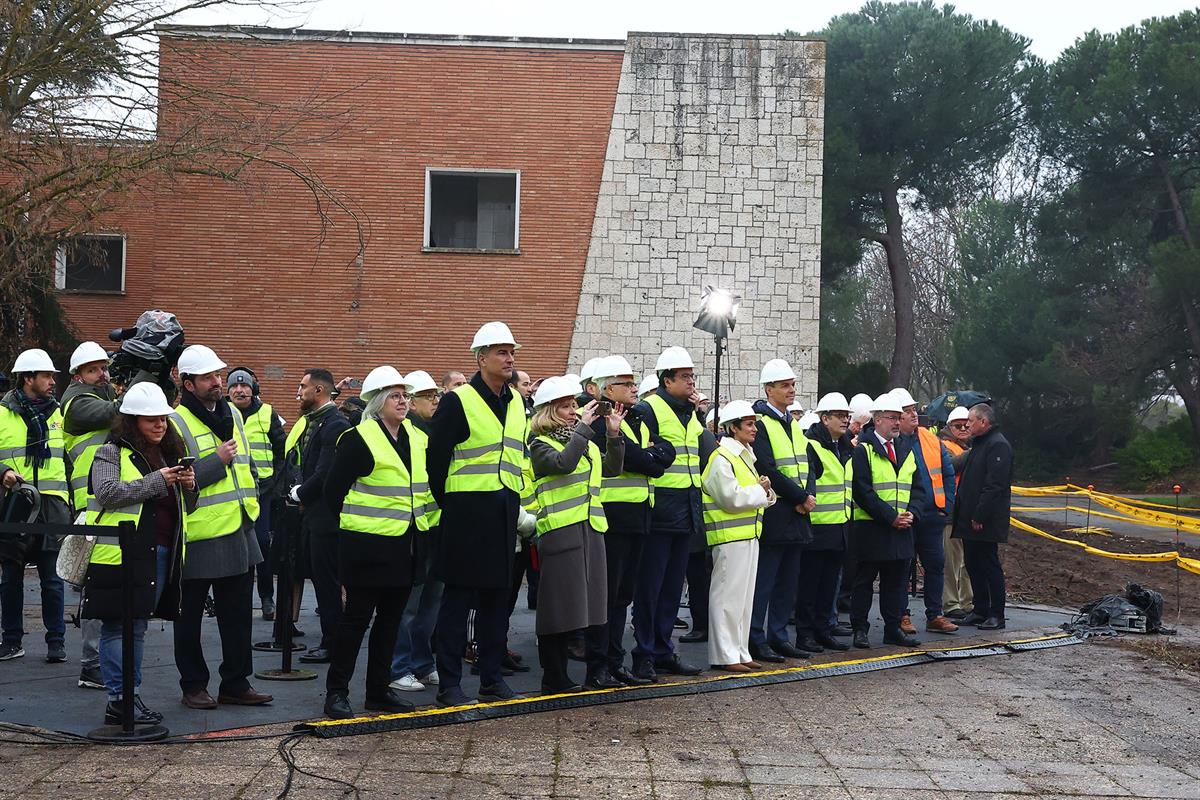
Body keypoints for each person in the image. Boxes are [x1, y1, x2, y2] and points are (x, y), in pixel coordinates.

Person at [323, 367, 436, 718]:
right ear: (376, 402)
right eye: (395, 396)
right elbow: (332, 493)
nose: (403, 401)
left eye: (405, 395)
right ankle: (336, 693)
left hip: (406, 547)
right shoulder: (359, 439)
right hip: (367, 549)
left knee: (390, 625)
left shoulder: (417, 437)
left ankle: (378, 691)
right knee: (355, 623)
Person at [428, 322, 527, 706]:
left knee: (497, 602)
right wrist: (450, 503)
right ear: (480, 357)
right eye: (501, 352)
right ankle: (449, 685)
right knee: (457, 603)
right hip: (466, 512)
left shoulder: (517, 402)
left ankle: (490, 677)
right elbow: (435, 460)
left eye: (511, 351)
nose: (509, 358)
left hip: (504, 511)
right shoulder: (459, 400)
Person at [82, 382, 193, 725]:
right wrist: (159, 480)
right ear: (132, 421)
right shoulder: (110, 451)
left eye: (163, 418)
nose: (160, 425)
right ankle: (120, 700)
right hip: (119, 556)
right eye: (151, 420)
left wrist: (190, 486)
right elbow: (107, 492)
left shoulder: (169, 452)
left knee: (138, 627)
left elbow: (184, 505)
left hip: (157, 552)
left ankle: (129, 698)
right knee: (119, 627)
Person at [170, 344, 272, 708]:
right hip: (199, 535)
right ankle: (193, 685)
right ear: (188, 383)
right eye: (208, 377)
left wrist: (254, 506)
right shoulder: (176, 421)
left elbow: (249, 467)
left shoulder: (233, 414)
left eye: (218, 376)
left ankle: (236, 683)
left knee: (238, 615)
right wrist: (217, 459)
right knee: (189, 619)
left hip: (240, 529)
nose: (218, 382)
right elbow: (180, 478)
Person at [527, 376, 623, 692]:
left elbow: (611, 469)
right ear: (548, 411)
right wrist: (584, 428)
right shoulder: (540, 444)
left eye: (573, 406)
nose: (574, 411)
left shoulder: (581, 441)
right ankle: (553, 676)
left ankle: (580, 672)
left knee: (591, 606)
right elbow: (563, 464)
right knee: (559, 608)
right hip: (560, 532)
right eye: (566, 407)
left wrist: (613, 435)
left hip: (591, 529)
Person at [589, 356, 673, 687]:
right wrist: (648, 456)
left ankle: (614, 661)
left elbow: (664, 455)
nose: (634, 387)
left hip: (639, 515)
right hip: (611, 516)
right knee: (606, 596)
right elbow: (639, 459)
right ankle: (598, 665)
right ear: (608, 388)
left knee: (623, 596)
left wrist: (649, 456)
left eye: (634, 382)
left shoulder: (636, 417)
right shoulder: (598, 419)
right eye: (626, 383)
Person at [630, 346, 712, 681]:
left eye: (692, 375)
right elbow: (643, 455)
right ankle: (644, 654)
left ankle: (663, 650)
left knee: (671, 588)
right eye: (685, 376)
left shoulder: (688, 413)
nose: (692, 382)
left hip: (685, 510)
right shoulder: (649, 409)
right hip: (660, 509)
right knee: (650, 589)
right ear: (667, 380)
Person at [0, 349, 70, 663]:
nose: (53, 381)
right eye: (47, 376)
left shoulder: (59, 414)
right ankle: (12, 640)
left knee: (52, 581)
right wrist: (2, 473)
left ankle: (56, 642)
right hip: (16, 507)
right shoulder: (2, 413)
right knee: (11, 577)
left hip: (53, 507)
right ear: (28, 378)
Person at [848, 392, 926, 649]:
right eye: (892, 418)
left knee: (896, 583)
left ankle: (893, 629)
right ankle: (860, 628)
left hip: (902, 528)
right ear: (878, 419)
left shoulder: (907, 448)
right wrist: (891, 517)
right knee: (864, 582)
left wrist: (912, 513)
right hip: (872, 528)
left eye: (898, 418)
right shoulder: (864, 451)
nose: (896, 422)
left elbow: (917, 488)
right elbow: (862, 491)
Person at [702, 400, 775, 672]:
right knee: (727, 598)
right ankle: (725, 654)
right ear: (733, 428)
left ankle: (740, 651)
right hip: (729, 536)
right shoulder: (722, 458)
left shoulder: (742, 456)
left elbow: (757, 496)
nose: (754, 428)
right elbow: (730, 498)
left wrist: (764, 491)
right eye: (749, 424)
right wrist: (760, 490)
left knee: (743, 601)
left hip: (745, 534)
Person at [62, 341, 118, 688]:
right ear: (78, 375)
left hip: (108, 500)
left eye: (104, 368)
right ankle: (92, 664)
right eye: (94, 369)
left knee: (106, 584)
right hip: (92, 503)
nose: (102, 374)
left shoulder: (99, 395)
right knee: (96, 585)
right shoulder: (76, 402)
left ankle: (99, 662)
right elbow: (116, 413)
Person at [747, 359, 812, 663]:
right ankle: (756, 637)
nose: (791, 390)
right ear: (768, 389)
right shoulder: (760, 423)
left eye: (792, 384)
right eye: (785, 385)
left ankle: (779, 635)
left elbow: (806, 463)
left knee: (789, 581)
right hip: (776, 512)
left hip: (797, 513)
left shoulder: (793, 424)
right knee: (766, 580)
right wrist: (800, 496)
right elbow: (766, 467)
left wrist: (807, 494)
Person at [288, 368, 351, 664]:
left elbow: (325, 472)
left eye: (303, 387)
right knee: (324, 582)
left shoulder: (334, 424)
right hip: (316, 516)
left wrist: (300, 493)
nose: (299, 391)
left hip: (327, 519)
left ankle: (333, 643)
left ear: (319, 391)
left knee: (327, 584)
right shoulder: (318, 421)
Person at [390, 370, 445, 693]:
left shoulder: (430, 432)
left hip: (435, 528)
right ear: (412, 402)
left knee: (430, 605)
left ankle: (423, 663)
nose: (436, 401)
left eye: (437, 395)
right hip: (416, 531)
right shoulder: (409, 434)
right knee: (410, 607)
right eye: (429, 397)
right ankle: (400, 666)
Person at [892, 388, 959, 636]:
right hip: (906, 516)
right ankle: (902, 615)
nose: (914, 415)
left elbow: (948, 473)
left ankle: (935, 615)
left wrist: (946, 506)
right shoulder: (894, 442)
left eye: (913, 410)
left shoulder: (930, 439)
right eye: (908, 411)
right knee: (902, 567)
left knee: (935, 564)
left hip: (932, 515)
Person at [797, 393, 855, 653]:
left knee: (829, 586)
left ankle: (823, 631)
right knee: (809, 586)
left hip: (840, 527)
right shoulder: (811, 445)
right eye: (840, 416)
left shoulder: (845, 447)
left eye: (847, 416)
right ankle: (805, 634)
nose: (845, 420)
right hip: (817, 527)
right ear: (824, 418)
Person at [227, 367, 285, 622]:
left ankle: (266, 597)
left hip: (262, 491)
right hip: (231, 491)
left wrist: (275, 484)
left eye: (245, 386)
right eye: (234, 387)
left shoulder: (267, 412)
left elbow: (282, 450)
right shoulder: (221, 412)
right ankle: (233, 601)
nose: (240, 390)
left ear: (254, 389)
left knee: (261, 543)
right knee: (232, 544)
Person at [951, 403, 1013, 630]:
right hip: (968, 517)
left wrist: (980, 515)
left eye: (970, 420)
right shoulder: (979, 445)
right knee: (973, 563)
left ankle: (997, 613)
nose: (967, 425)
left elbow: (994, 485)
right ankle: (980, 609)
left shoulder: (998, 446)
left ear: (983, 422)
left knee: (989, 564)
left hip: (985, 520)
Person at [939, 405, 973, 619]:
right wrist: (974, 452)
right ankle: (951, 603)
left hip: (965, 511)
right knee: (950, 562)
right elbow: (949, 466)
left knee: (966, 561)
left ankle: (967, 601)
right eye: (958, 425)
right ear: (949, 427)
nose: (962, 429)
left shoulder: (965, 447)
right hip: (950, 511)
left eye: (966, 425)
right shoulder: (943, 446)